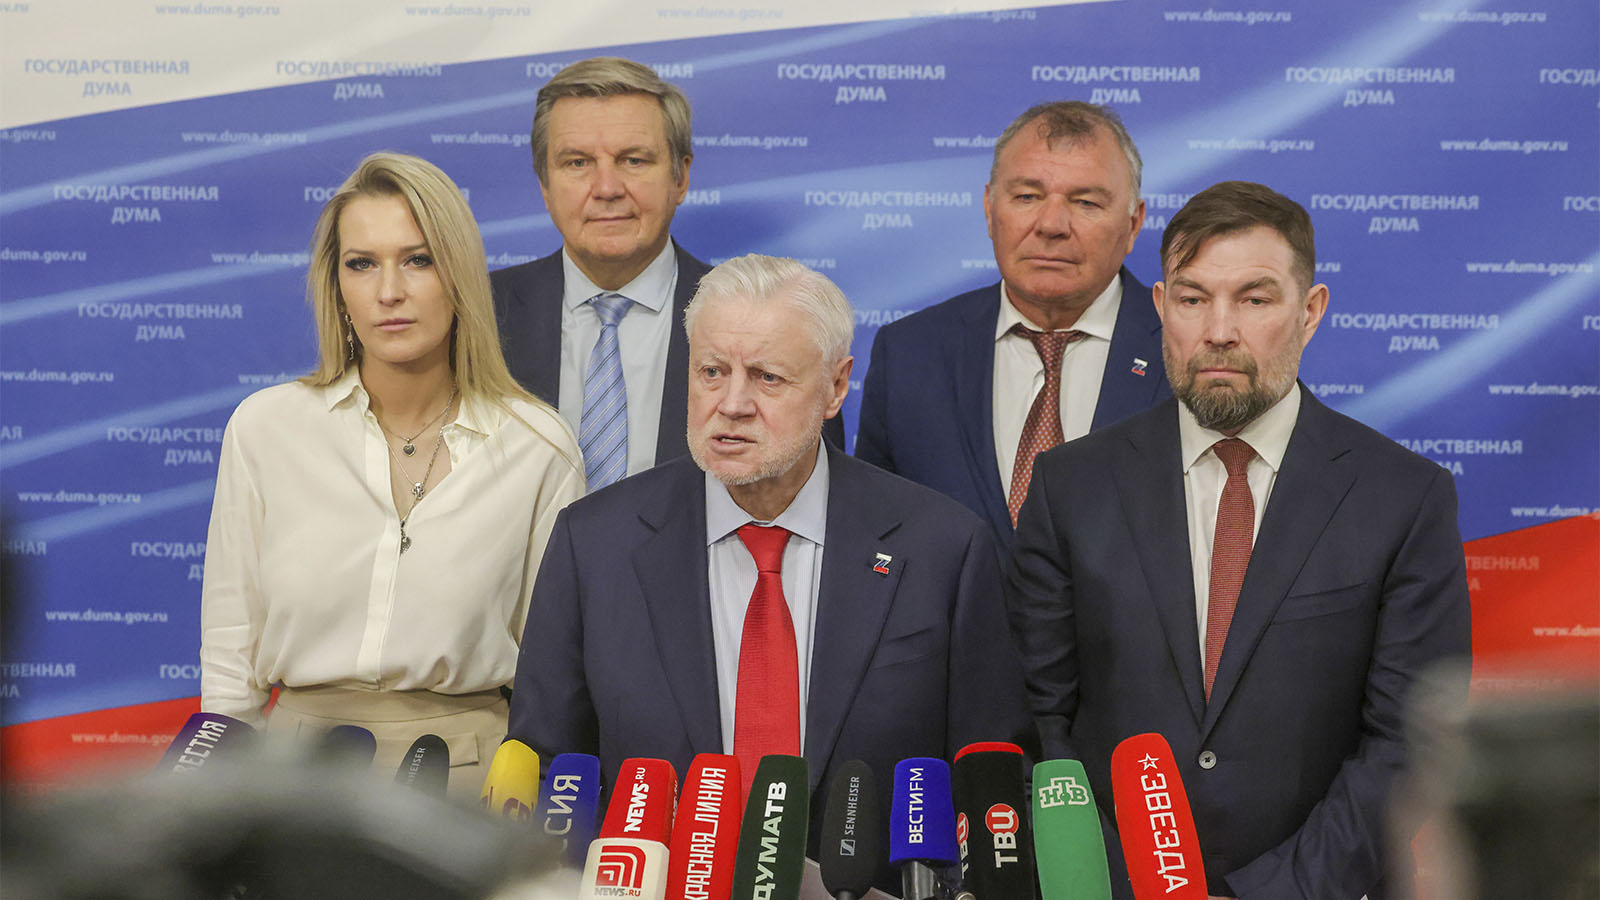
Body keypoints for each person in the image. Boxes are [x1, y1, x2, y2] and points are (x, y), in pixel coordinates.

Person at [1007, 181, 1472, 899]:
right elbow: (1040, 723)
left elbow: (1408, 742)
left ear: (1310, 312)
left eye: (1254, 299)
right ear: (1161, 307)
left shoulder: (1404, 498)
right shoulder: (1069, 486)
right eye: (1193, 299)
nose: (1219, 330)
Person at [508, 254, 1031, 887]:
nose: (732, 404)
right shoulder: (595, 543)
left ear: (836, 387)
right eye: (712, 372)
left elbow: (992, 785)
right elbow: (548, 770)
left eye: (767, 377)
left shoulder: (942, 547)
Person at [200, 152, 584, 797]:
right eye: (361, 264)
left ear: (459, 275)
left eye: (418, 260)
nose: (389, 292)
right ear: (336, 286)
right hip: (291, 782)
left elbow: (553, 673)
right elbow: (230, 650)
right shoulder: (265, 428)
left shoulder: (538, 445)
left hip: (470, 782)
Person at [491, 57, 841, 492]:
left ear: (681, 177)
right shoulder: (476, 315)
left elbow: (809, 496)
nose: (607, 188)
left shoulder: (774, 323)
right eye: (578, 163)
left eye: (634, 160)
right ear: (545, 184)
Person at [856, 101, 1169, 547]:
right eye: (1027, 197)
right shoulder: (909, 353)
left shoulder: (1187, 351)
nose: (1052, 225)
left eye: (1085, 202)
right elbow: (876, 538)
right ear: (989, 209)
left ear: (1133, 223)